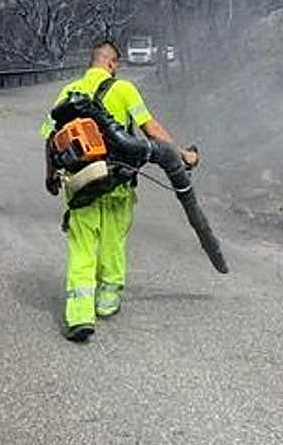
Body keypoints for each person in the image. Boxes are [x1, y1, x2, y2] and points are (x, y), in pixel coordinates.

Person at [41, 40, 199, 342]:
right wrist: (183, 155)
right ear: (112, 63)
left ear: (92, 63)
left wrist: (50, 177)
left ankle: (79, 316)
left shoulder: (67, 93)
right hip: (117, 184)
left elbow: (49, 139)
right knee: (112, 243)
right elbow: (151, 130)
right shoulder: (123, 89)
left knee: (81, 248)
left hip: (79, 185)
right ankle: (107, 301)